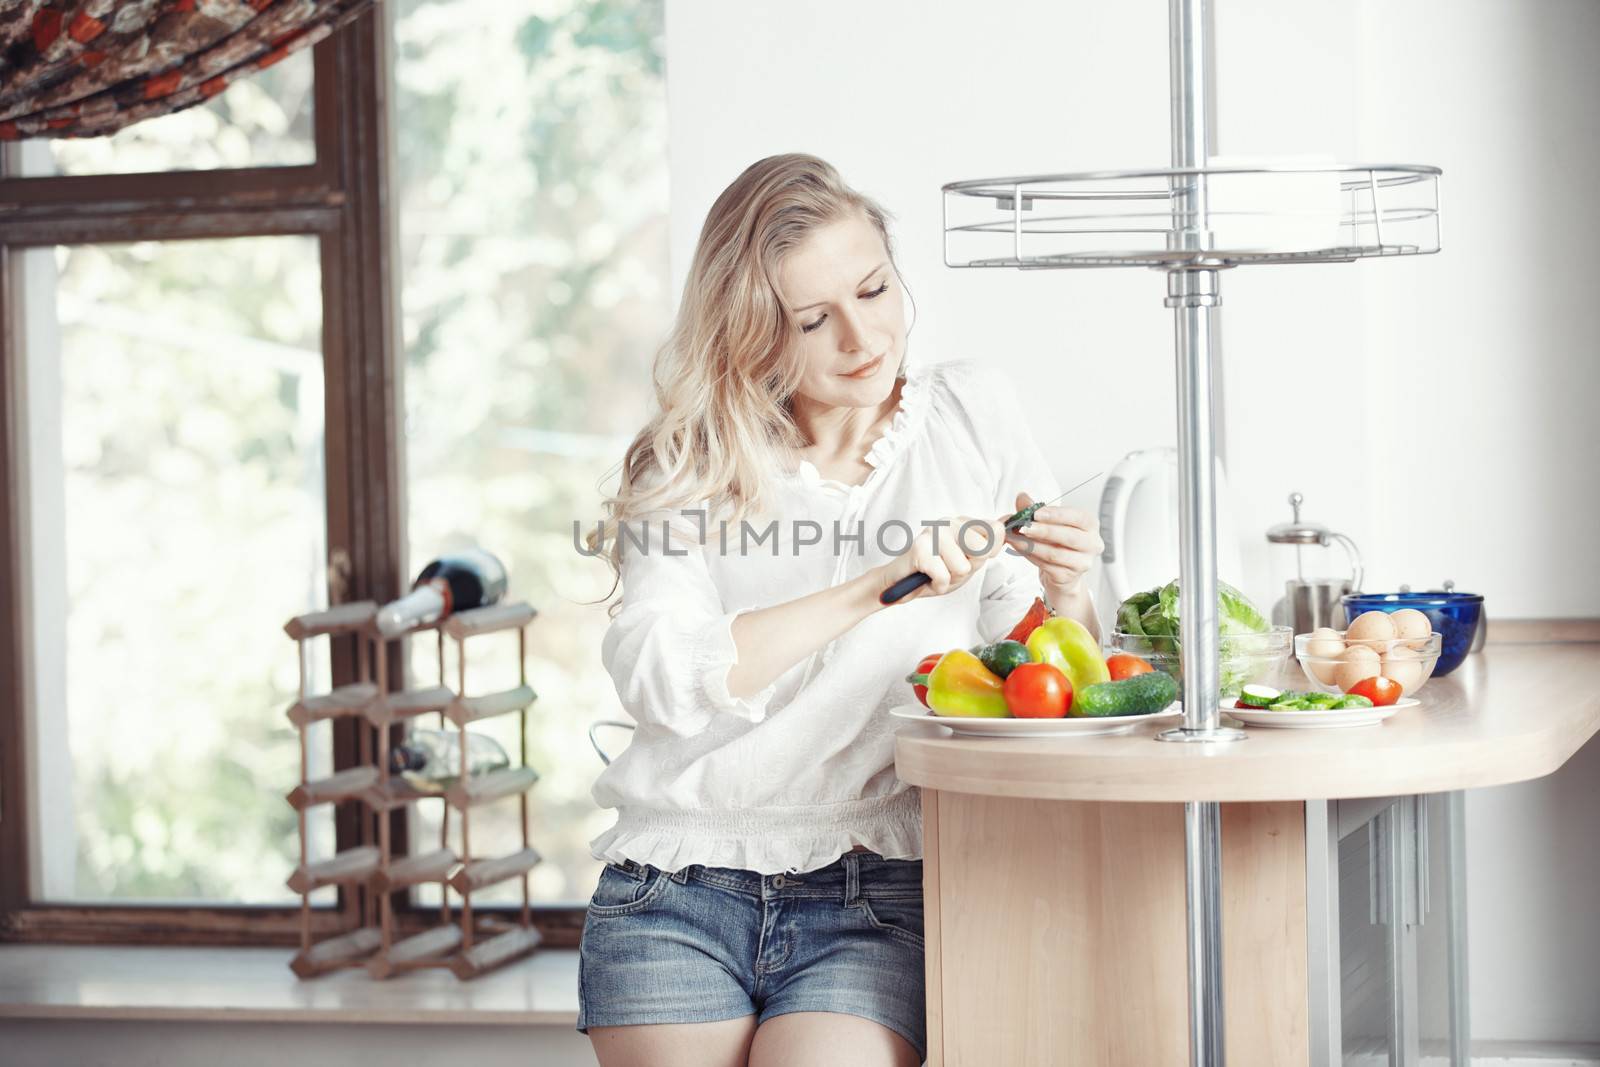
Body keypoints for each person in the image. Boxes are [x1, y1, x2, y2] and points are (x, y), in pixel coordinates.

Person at [577, 153, 1104, 1067]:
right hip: (673, 881)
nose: (861, 338)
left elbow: (1041, 677)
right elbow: (660, 677)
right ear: (747, 334)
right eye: (813, 321)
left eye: (874, 290)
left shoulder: (970, 415)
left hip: (873, 887)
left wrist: (1067, 591)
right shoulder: (688, 461)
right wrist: (873, 584)